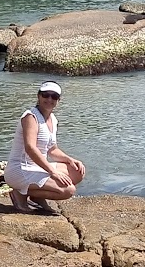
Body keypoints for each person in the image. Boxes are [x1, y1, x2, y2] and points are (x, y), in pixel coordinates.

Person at [5, 81, 86, 213]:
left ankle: (37, 195)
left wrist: (70, 159)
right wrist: (52, 172)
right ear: (39, 96)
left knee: (77, 171)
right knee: (68, 190)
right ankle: (19, 193)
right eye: (45, 95)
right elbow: (30, 148)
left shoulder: (52, 119)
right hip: (20, 169)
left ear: (58, 100)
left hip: (37, 167)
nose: (49, 99)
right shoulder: (31, 116)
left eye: (54, 96)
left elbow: (52, 150)